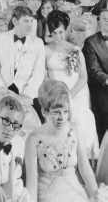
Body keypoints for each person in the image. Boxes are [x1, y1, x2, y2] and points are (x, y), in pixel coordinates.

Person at [25, 80, 98, 201]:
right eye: (56, 112)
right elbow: (31, 184)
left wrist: (96, 195)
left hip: (74, 191)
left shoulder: (73, 130)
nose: (62, 118)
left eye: (65, 112)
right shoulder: (33, 139)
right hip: (49, 195)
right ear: (45, 111)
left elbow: (85, 168)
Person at [45, 10, 99, 158]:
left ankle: (83, 160)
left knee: (81, 121)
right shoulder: (46, 50)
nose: (58, 37)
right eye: (54, 32)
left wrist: (69, 95)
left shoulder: (75, 51)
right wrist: (56, 93)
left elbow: (83, 77)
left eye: (61, 32)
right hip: (56, 93)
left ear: (66, 30)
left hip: (76, 92)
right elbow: (44, 77)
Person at [0, 6, 45, 115]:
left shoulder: (38, 43)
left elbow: (39, 73)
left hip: (27, 98)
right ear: (15, 21)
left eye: (31, 21)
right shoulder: (0, 38)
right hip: (2, 94)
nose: (29, 25)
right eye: (25, 21)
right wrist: (4, 91)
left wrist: (26, 95)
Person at [82, 8, 108, 140]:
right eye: (104, 19)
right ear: (98, 22)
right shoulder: (90, 42)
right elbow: (93, 69)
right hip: (102, 89)